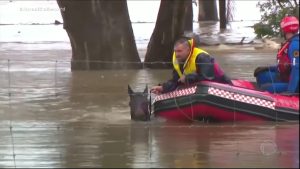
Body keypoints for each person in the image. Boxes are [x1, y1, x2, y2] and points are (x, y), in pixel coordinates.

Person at [150, 37, 231, 94]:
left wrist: (187, 78)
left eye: (179, 51)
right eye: (175, 51)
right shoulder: (177, 61)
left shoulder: (202, 57)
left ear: (188, 50)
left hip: (220, 85)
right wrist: (163, 88)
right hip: (196, 89)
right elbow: (176, 81)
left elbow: (207, 78)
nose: (177, 54)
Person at [254, 16, 299, 94]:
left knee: (265, 88)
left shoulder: (295, 45)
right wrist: (268, 68)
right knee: (261, 75)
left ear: (286, 30)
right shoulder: (290, 43)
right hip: (286, 77)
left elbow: (296, 68)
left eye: (282, 29)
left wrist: (290, 91)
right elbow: (286, 66)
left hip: (296, 84)